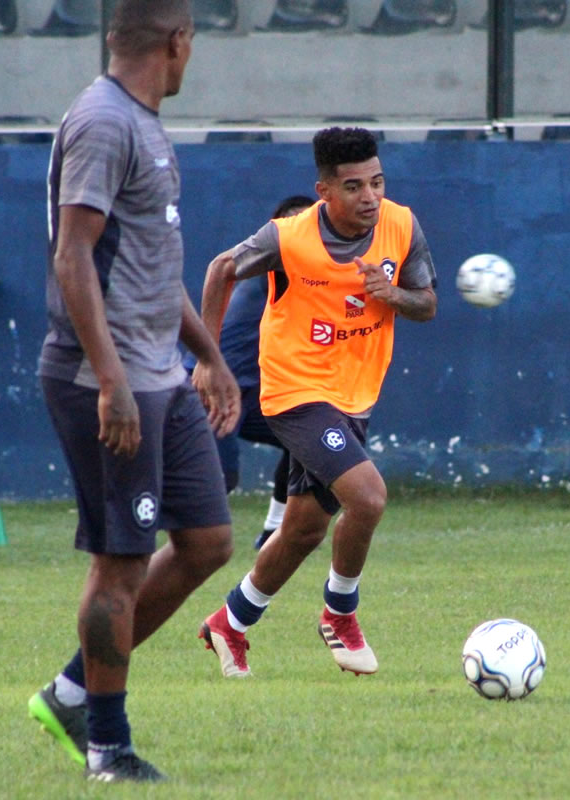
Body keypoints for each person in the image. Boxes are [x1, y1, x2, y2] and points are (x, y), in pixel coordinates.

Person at [26, 0, 240, 783]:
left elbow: (150, 265)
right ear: (178, 42)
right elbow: (72, 256)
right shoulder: (103, 122)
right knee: (121, 561)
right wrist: (111, 379)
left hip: (160, 372)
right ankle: (107, 748)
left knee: (208, 540)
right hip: (107, 376)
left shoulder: (143, 123)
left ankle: (71, 692)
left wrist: (208, 355)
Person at [193, 127, 438, 678]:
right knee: (368, 498)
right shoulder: (288, 238)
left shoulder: (401, 225)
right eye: (353, 187)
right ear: (324, 191)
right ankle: (340, 612)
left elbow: (426, 304)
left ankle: (230, 622)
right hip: (295, 391)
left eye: (377, 182)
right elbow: (220, 269)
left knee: (303, 529)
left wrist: (393, 295)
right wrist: (208, 358)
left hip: (355, 396)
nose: (370, 197)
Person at [182, 195, 316, 551]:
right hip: (208, 388)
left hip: (249, 396)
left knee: (309, 437)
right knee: (221, 479)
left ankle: (273, 530)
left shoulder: (314, 278)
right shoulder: (276, 269)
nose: (302, 232)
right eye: (292, 223)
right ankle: (154, 527)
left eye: (310, 223)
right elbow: (222, 269)